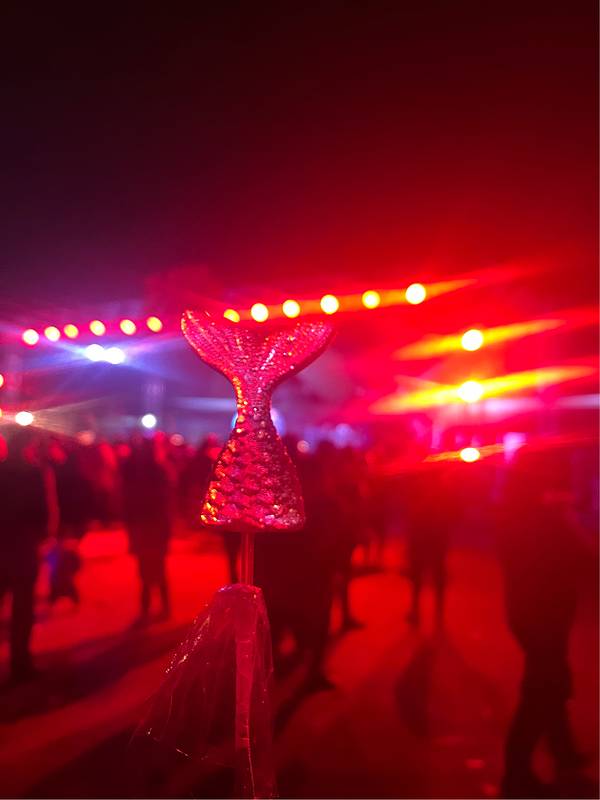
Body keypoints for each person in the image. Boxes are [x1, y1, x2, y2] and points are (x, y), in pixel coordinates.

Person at [498, 446, 585, 797]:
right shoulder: (534, 518)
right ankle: (516, 772)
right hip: (540, 615)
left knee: (551, 682)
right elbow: (573, 556)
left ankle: (562, 753)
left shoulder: (523, 511)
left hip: (536, 613)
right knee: (543, 688)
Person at [0, 427, 49, 681]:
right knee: (22, 606)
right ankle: (20, 662)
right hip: (22, 545)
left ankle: (20, 661)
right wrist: (42, 536)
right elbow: (42, 511)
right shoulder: (34, 473)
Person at [402, 459, 459, 627]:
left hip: (427, 537)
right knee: (432, 575)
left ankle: (419, 611)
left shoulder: (423, 489)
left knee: (422, 575)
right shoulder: (443, 489)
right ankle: (435, 614)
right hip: (434, 538)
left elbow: (412, 514)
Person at [122, 435, 173, 623]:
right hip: (155, 525)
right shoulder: (160, 470)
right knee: (158, 567)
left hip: (143, 526)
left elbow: (128, 502)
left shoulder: (133, 471)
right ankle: (163, 607)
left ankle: (147, 607)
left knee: (145, 568)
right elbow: (167, 502)